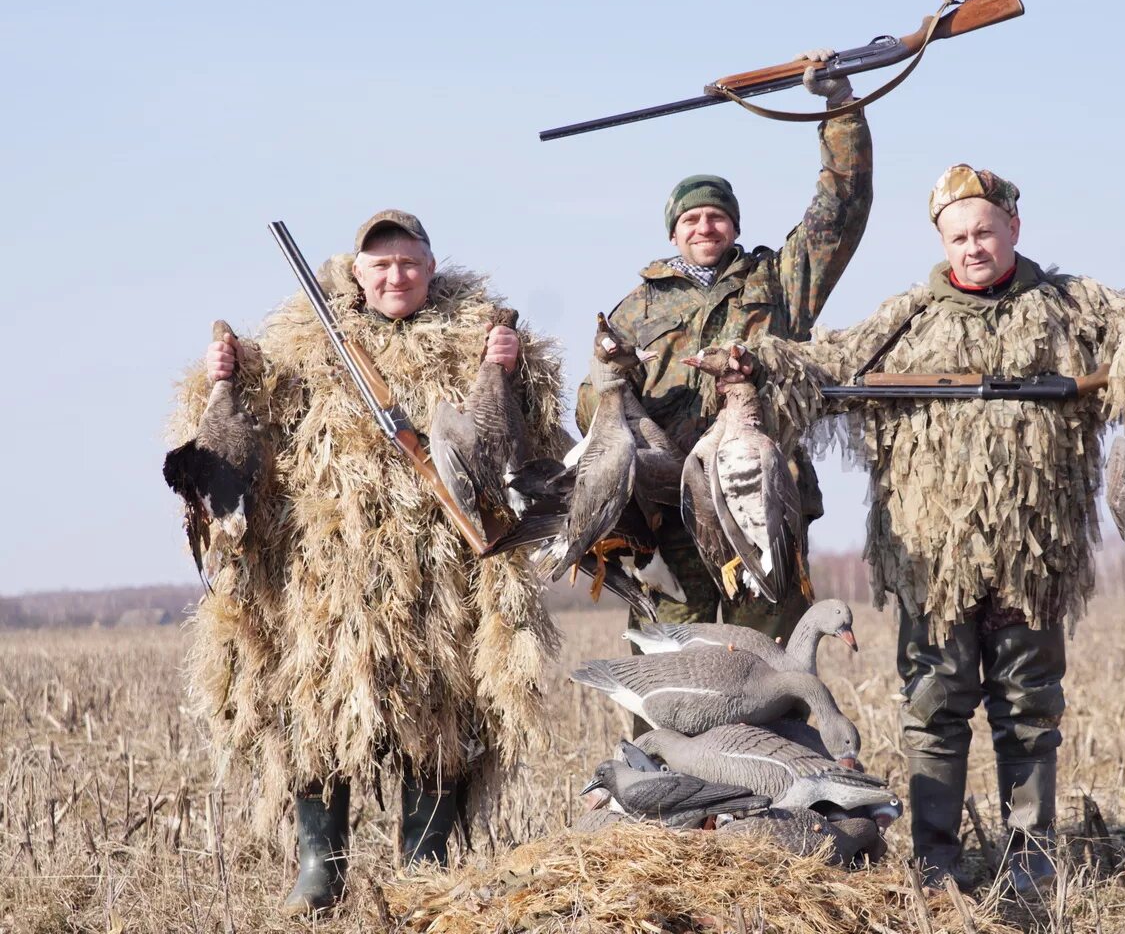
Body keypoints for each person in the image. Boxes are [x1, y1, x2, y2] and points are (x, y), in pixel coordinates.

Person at [734, 165, 1125, 894]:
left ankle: (1030, 857)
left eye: (985, 232)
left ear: (1013, 229)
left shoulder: (1070, 307)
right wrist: (756, 364)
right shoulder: (904, 319)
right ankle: (934, 858)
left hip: (1036, 561)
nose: (972, 247)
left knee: (1030, 713)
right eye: (958, 236)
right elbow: (820, 367)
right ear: (940, 239)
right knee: (933, 711)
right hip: (931, 566)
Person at [167, 210, 568, 915]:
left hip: (440, 568)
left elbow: (531, 435)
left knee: (437, 713)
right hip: (327, 565)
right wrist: (220, 376)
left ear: (430, 268)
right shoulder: (306, 342)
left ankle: (425, 869)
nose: (395, 276)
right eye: (380, 264)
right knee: (318, 716)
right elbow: (242, 424)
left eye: (408, 263)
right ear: (356, 272)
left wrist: (512, 365)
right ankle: (322, 868)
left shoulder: (475, 336)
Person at [575, 51, 873, 643]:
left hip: (763, 505)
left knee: (769, 667)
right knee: (671, 677)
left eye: (716, 216)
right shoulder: (633, 309)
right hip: (670, 517)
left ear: (734, 226)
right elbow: (591, 411)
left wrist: (841, 107)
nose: (704, 227)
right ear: (673, 231)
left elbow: (840, 209)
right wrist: (613, 384)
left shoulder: (780, 283)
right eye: (691, 219)